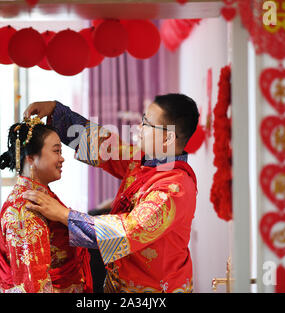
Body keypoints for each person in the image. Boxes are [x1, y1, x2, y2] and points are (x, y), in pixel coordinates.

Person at [23, 94, 199, 293]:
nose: (139, 128)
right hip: (118, 284)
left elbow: (127, 231)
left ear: (167, 137)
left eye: (147, 124)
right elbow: (105, 146)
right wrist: (56, 111)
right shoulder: (145, 160)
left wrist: (64, 215)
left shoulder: (174, 189)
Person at [0, 116, 93, 293]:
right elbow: (33, 286)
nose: (62, 159)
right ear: (31, 158)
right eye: (56, 151)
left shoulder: (42, 199)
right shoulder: (25, 210)